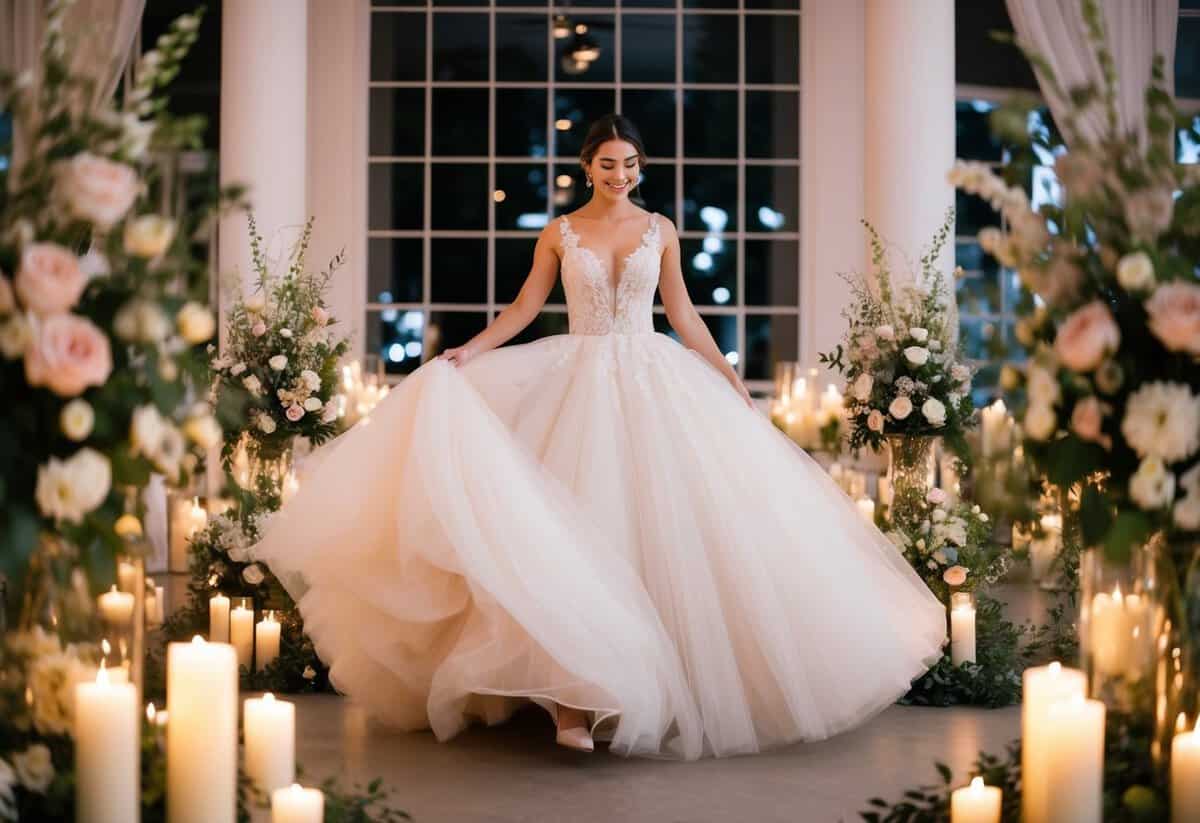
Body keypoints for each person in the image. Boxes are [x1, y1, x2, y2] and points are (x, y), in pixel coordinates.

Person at [255, 114, 946, 760]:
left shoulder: (661, 229)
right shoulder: (558, 233)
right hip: (578, 378)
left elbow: (682, 311)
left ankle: (664, 679)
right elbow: (526, 307)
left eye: (632, 163)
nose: (622, 174)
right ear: (588, 165)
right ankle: (570, 702)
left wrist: (726, 373)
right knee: (569, 537)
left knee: (664, 535)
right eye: (610, 163)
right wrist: (469, 349)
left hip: (654, 378)